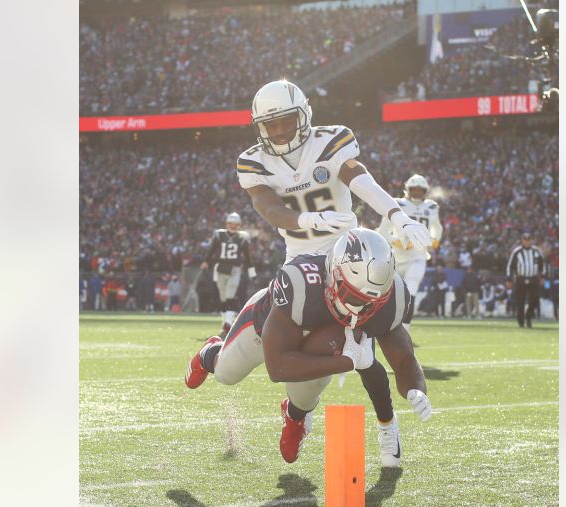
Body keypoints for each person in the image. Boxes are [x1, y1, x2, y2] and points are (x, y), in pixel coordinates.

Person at [232, 80, 432, 465]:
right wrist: (308, 218)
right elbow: (270, 210)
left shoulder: (331, 140)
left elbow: (360, 179)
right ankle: (294, 411)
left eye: (285, 120)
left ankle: (386, 426)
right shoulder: (253, 161)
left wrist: (396, 213)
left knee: (369, 342)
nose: (279, 131)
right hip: (302, 263)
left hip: (349, 255)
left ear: (304, 114)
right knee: (313, 352)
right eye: (270, 125)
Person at [184, 229, 432, 467]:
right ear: (334, 275)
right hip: (266, 329)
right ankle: (210, 354)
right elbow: (278, 367)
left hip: (322, 343)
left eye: (370, 303)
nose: (360, 311)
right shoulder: (299, 282)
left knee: (310, 388)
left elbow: (403, 360)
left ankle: (295, 414)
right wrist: (347, 361)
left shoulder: (392, 298)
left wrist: (416, 389)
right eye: (354, 298)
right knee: (227, 374)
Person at [376, 173, 443, 333]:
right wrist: (396, 241)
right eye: (414, 190)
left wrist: (435, 240)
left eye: (420, 190)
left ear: (425, 191)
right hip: (396, 257)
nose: (417, 193)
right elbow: (383, 230)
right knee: (385, 294)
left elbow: (438, 227)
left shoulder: (431, 207)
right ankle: (380, 328)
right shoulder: (397, 203)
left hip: (418, 257)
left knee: (410, 291)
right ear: (408, 189)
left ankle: (405, 332)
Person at [201, 212, 258, 336]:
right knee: (223, 298)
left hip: (234, 269)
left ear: (239, 225)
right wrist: (206, 261)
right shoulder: (219, 235)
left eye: (235, 224)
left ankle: (228, 324)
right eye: (230, 223)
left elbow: (248, 257)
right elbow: (212, 250)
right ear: (226, 223)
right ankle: (225, 322)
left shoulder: (242, 237)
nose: (232, 226)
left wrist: (252, 273)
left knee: (229, 296)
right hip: (220, 268)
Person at [506, 233, 545, 328]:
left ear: (531, 240)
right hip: (521, 278)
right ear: (522, 240)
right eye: (525, 240)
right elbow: (510, 266)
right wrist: (508, 279)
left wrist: (543, 276)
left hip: (533, 278)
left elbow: (542, 264)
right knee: (520, 301)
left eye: (528, 240)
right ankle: (521, 321)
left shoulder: (536, 251)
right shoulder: (517, 251)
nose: (527, 242)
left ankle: (528, 315)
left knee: (535, 299)